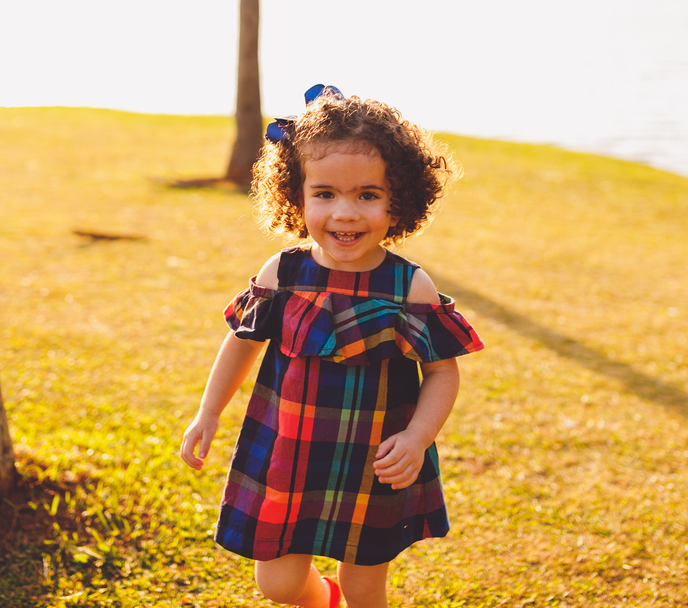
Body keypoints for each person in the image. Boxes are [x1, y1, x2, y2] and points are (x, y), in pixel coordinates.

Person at [179, 85, 484, 608]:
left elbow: (442, 373)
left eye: (368, 195)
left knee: (366, 587)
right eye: (325, 194)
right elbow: (241, 342)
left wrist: (416, 437)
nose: (345, 213)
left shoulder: (408, 286)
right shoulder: (284, 272)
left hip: (372, 462)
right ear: (296, 196)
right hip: (287, 453)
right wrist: (208, 412)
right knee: (276, 584)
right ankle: (323, 599)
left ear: (399, 200)